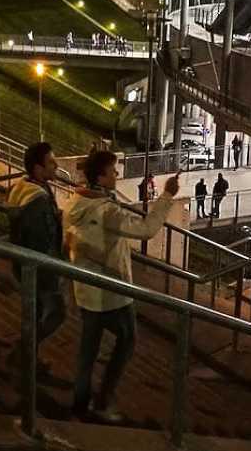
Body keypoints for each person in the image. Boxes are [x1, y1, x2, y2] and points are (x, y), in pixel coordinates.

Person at [64, 151, 179, 422]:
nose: (117, 175)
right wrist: (167, 196)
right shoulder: (107, 211)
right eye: (113, 171)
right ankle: (103, 402)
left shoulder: (74, 202)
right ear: (101, 177)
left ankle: (80, 404)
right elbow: (146, 229)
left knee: (88, 349)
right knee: (127, 339)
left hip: (84, 287)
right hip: (112, 290)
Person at [8, 143, 67, 372]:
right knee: (57, 313)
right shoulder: (38, 200)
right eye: (51, 162)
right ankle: (25, 354)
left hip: (24, 265)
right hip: (40, 270)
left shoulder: (25, 188)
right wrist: (55, 272)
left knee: (35, 314)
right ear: (38, 168)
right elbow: (40, 242)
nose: (56, 165)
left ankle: (28, 356)